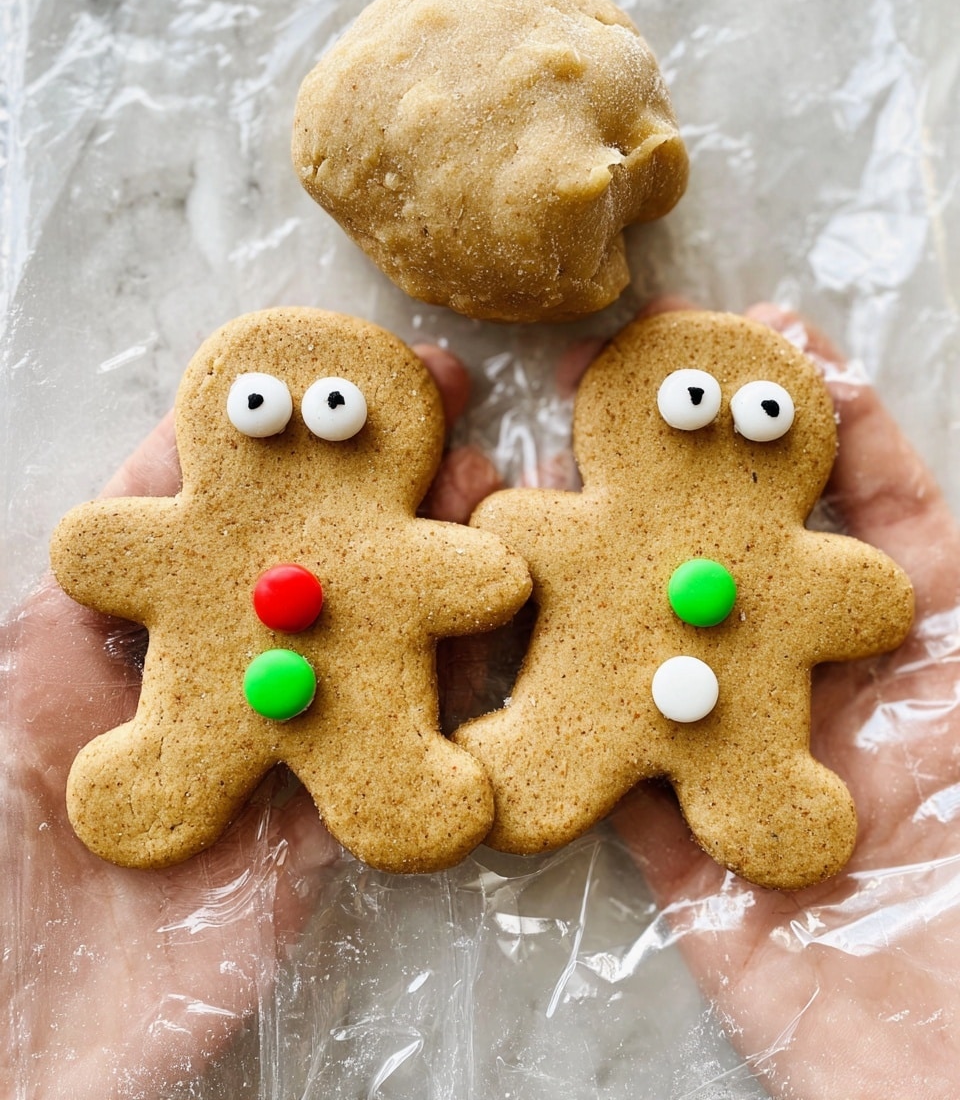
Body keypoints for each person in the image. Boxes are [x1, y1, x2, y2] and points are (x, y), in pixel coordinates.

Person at [3, 305, 957, 1097]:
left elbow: (863, 598)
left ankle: (702, 796)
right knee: (256, 762)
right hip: (252, 706)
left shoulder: (720, 550)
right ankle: (187, 778)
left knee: (588, 779)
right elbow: (103, 552)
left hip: (710, 729)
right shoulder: (211, 532)